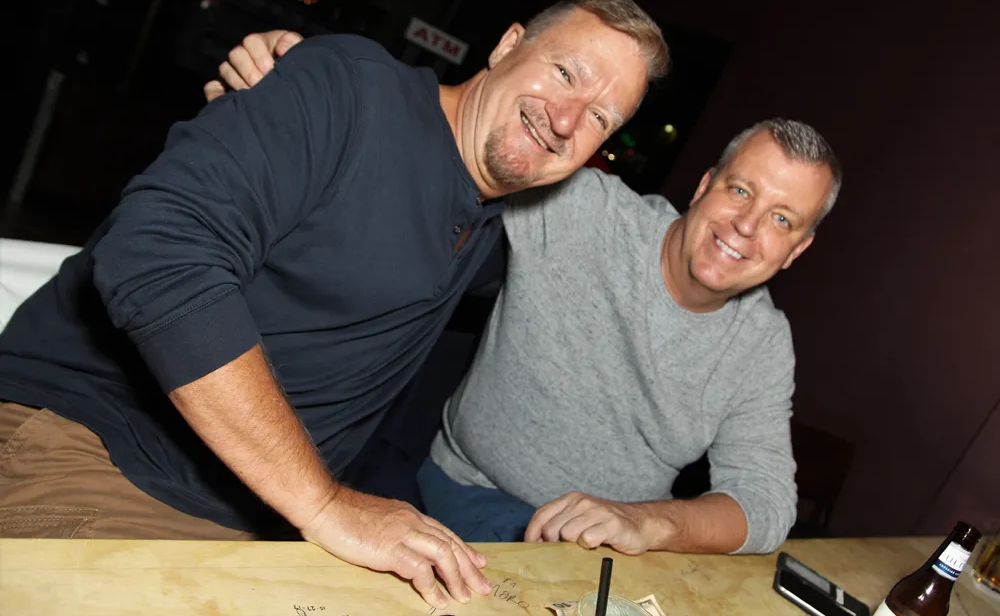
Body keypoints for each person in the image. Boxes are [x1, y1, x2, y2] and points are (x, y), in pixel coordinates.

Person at [0, 0, 669, 609]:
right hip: (91, 448)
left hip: (258, 519)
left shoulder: (498, 227)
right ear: (507, 45)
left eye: (599, 117)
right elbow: (158, 252)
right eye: (565, 72)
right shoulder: (350, 88)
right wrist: (324, 504)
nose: (565, 119)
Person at [211, 34, 840, 556]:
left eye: (782, 219)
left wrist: (648, 522)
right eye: (740, 191)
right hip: (463, 493)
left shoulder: (761, 343)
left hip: (610, 549)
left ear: (798, 250)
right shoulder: (581, 210)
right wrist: (315, 89)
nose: (747, 226)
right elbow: (458, 134)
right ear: (704, 186)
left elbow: (765, 501)